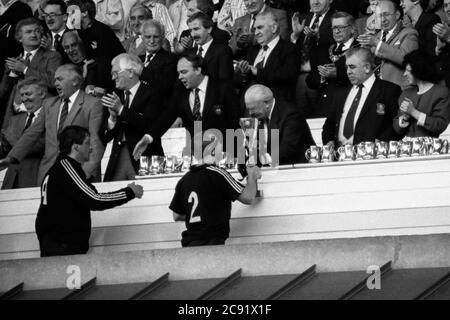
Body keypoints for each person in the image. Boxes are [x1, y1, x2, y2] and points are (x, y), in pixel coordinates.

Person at [35, 125, 143, 257]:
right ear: (76, 147)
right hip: (62, 246)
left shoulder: (60, 168)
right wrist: (129, 192)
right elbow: (94, 199)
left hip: (57, 243)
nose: (91, 148)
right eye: (87, 143)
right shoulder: (67, 169)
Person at [0, 64, 105, 185]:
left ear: (75, 81)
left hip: (79, 173)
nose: (55, 83)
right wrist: (11, 158)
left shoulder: (93, 104)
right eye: (55, 79)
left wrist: (85, 173)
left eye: (60, 79)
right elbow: (31, 134)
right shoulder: (49, 104)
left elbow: (96, 142)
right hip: (49, 173)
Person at [132, 52, 241, 160]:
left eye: (184, 72)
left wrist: (234, 155)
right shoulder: (180, 92)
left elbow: (235, 123)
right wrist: (148, 138)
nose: (180, 77)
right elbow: (166, 118)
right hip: (197, 157)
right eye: (178, 73)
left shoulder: (223, 89)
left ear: (198, 70)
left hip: (225, 155)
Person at [170, 130, 261, 247]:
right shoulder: (218, 173)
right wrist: (252, 176)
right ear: (212, 150)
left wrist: (202, 213)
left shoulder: (185, 180)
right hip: (212, 243)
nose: (222, 149)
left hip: (190, 245)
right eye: (219, 145)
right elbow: (248, 198)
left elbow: (176, 215)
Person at [101, 53, 165, 182]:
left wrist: (121, 109)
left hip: (145, 157)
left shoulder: (152, 93)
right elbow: (106, 136)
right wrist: (112, 119)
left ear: (130, 72)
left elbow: (150, 126)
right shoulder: (115, 95)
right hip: (118, 156)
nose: (113, 78)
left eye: (116, 73)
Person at [322, 46, 402, 148]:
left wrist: (381, 144)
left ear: (367, 67)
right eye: (346, 67)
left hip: (372, 157)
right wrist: (329, 142)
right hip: (340, 157)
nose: (348, 72)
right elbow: (329, 124)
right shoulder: (340, 93)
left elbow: (397, 126)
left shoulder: (389, 90)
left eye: (352, 67)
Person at [0, 17, 62, 128]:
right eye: (28, 32)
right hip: (14, 118)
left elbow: (53, 82)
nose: (34, 35)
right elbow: (3, 92)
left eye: (37, 31)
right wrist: (12, 74)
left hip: (41, 116)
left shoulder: (53, 56)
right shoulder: (15, 61)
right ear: (19, 38)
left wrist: (25, 69)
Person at [235, 11, 299, 103]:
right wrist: (243, 73)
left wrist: (257, 71)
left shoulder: (289, 49)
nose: (256, 33)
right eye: (254, 29)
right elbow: (236, 82)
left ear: (273, 28)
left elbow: (288, 75)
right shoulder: (252, 50)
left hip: (275, 106)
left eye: (260, 27)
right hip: (247, 107)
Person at [244, 84, 315, 165]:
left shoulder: (291, 114)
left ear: (266, 103)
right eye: (248, 109)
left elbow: (287, 148)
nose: (250, 113)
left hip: (300, 168)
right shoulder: (259, 118)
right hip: (274, 170)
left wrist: (261, 160)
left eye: (253, 109)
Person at [66, 0, 125, 95]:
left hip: (117, 73)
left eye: (72, 12)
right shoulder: (81, 30)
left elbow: (105, 60)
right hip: (99, 71)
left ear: (85, 13)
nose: (69, 16)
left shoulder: (102, 30)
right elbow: (92, 58)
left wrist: (101, 86)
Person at [307, 11, 360, 118]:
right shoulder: (323, 49)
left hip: (349, 107)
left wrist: (336, 74)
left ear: (352, 28)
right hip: (324, 107)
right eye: (334, 28)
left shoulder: (360, 49)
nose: (337, 31)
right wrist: (322, 77)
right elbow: (310, 80)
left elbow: (362, 76)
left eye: (341, 27)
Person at [357, 0, 419, 88]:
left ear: (397, 15)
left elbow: (406, 59)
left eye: (386, 14)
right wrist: (363, 48)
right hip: (375, 91)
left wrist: (376, 43)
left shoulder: (409, 33)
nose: (383, 19)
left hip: (398, 91)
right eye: (379, 16)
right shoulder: (375, 36)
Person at [291, 0, 335, 117]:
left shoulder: (336, 18)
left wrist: (318, 37)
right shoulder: (302, 19)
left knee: (321, 119)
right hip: (299, 78)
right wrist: (295, 35)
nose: (315, 1)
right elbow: (290, 52)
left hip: (322, 79)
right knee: (301, 121)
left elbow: (339, 46)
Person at [1, 77, 46, 189]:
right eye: (22, 95)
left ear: (42, 94)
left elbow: (38, 145)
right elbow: (5, 151)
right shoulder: (14, 120)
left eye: (28, 94)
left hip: (35, 179)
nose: (24, 99)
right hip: (10, 181)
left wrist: (10, 138)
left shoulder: (51, 117)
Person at [393, 50, 450, 137]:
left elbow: (440, 125)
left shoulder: (441, 93)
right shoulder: (406, 93)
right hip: (407, 148)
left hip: (429, 148)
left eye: (408, 70)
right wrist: (404, 119)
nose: (404, 74)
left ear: (419, 70)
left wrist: (413, 112)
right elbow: (396, 128)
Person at [139, 19, 178, 105]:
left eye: (156, 37)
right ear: (142, 38)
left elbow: (167, 85)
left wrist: (142, 71)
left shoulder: (171, 59)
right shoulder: (138, 59)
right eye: (148, 37)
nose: (152, 41)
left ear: (163, 37)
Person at [187, 11, 234, 81]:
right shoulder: (188, 53)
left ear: (209, 29)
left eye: (196, 29)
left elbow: (224, 83)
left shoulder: (223, 51)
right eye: (190, 30)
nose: (193, 34)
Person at [434, 0, 450, 88]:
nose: (448, 9)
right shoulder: (446, 28)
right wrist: (438, 49)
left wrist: (448, 38)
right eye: (446, 5)